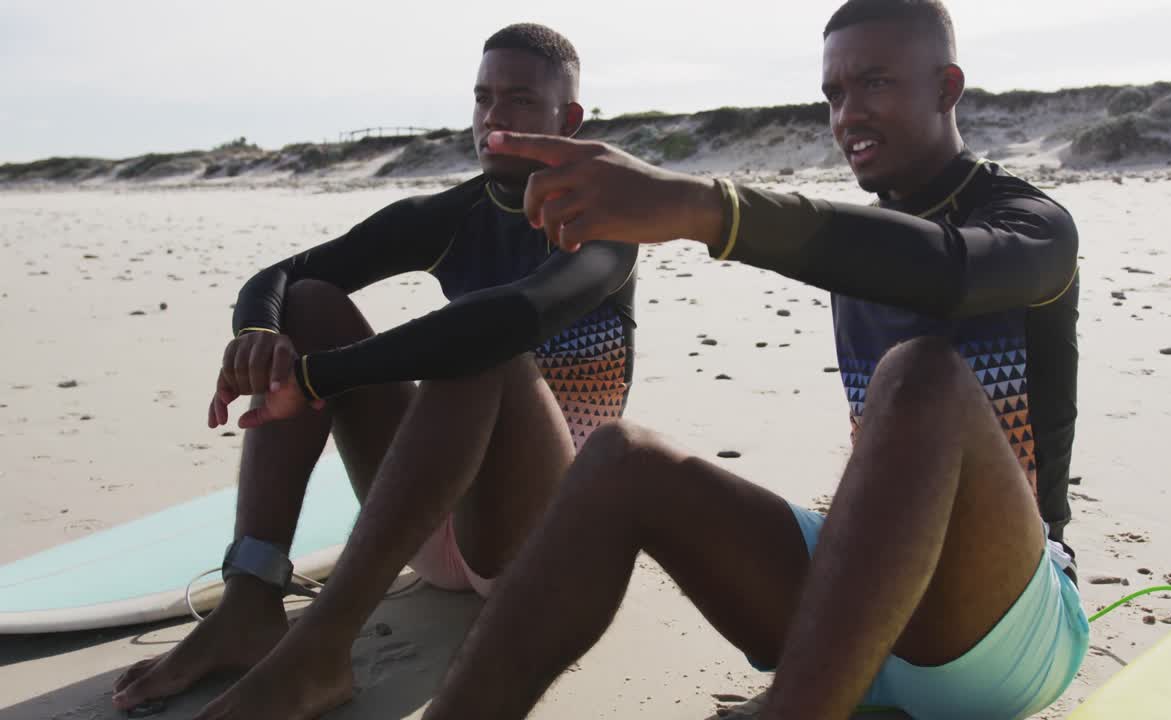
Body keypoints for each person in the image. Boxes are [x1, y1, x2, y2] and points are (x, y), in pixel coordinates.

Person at [423, 2, 1087, 718]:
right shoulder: (865, 243)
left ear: (946, 87)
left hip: (1004, 633)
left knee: (919, 373)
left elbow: (951, 272)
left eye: (874, 84)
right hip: (859, 633)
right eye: (833, 95)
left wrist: (704, 208)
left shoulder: (1032, 225)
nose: (847, 116)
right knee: (622, 458)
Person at [111, 23, 638, 720]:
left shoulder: (607, 217)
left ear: (567, 119)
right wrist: (259, 332)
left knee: (481, 342)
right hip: (433, 518)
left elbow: (510, 320)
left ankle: (323, 647)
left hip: (541, 542)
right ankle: (249, 601)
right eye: (482, 98)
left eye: (518, 99)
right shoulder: (453, 215)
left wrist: (320, 378)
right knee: (308, 304)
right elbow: (286, 274)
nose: (493, 117)